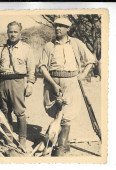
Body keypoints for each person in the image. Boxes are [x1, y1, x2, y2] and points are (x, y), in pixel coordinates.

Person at [39, 17, 96, 156]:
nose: (58, 28)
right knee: (55, 111)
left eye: (61, 26)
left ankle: (61, 146)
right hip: (52, 81)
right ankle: (61, 142)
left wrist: (83, 74)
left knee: (68, 114)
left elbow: (91, 60)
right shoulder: (49, 46)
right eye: (56, 25)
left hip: (71, 81)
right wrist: (52, 84)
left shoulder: (76, 43)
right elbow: (42, 67)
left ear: (68, 29)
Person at [0, 21, 35, 150]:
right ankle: (8, 136)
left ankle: (22, 139)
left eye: (15, 32)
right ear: (7, 33)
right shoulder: (1, 49)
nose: (12, 34)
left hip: (18, 82)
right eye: (10, 32)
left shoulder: (26, 48)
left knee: (19, 112)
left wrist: (30, 84)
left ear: (20, 33)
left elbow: (31, 68)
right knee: (4, 111)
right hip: (2, 81)